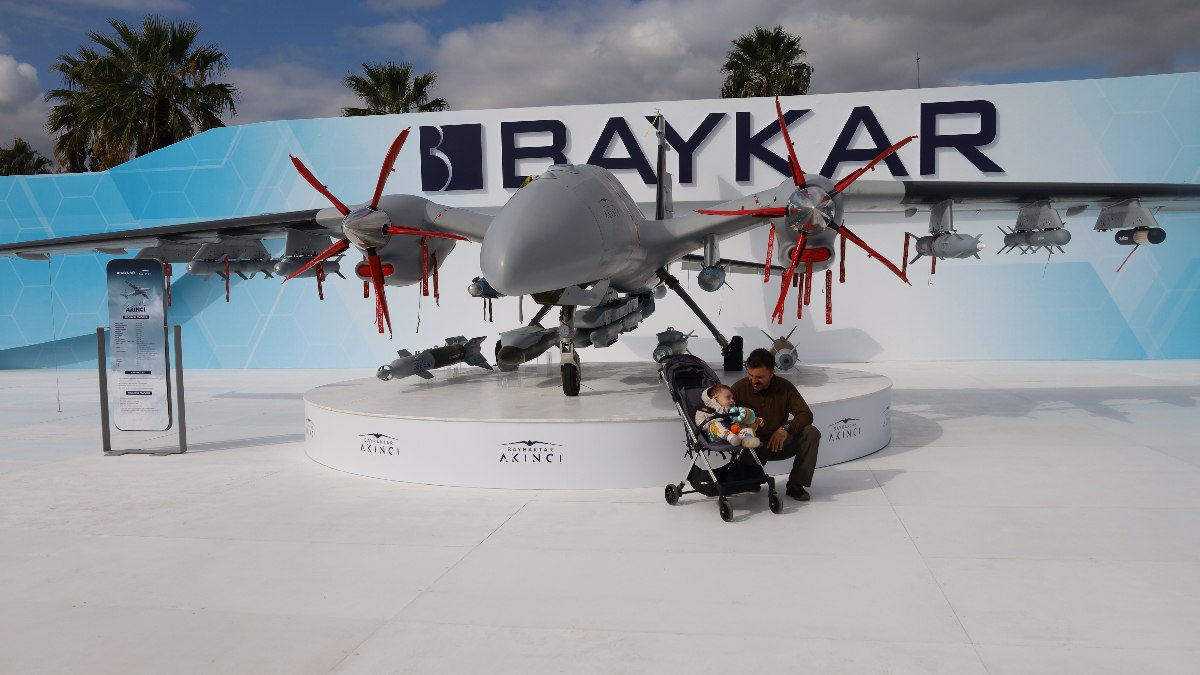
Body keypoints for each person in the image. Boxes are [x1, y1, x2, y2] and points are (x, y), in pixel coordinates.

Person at [730, 348, 821, 501]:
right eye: (750, 375)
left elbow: (806, 414)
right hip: (753, 446)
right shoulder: (738, 388)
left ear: (772, 373)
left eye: (759, 377)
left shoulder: (785, 387)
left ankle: (796, 484)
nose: (753, 381)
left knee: (811, 432)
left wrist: (785, 429)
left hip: (779, 444)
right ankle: (753, 477)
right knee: (746, 484)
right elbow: (726, 416)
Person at [694, 384, 761, 448]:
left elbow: (742, 417)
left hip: (733, 432)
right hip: (715, 435)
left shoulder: (733, 410)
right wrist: (708, 424)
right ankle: (731, 437)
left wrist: (754, 419)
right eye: (728, 397)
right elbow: (699, 422)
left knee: (744, 425)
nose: (732, 400)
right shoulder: (705, 410)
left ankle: (747, 439)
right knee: (715, 425)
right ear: (716, 399)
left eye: (732, 398)